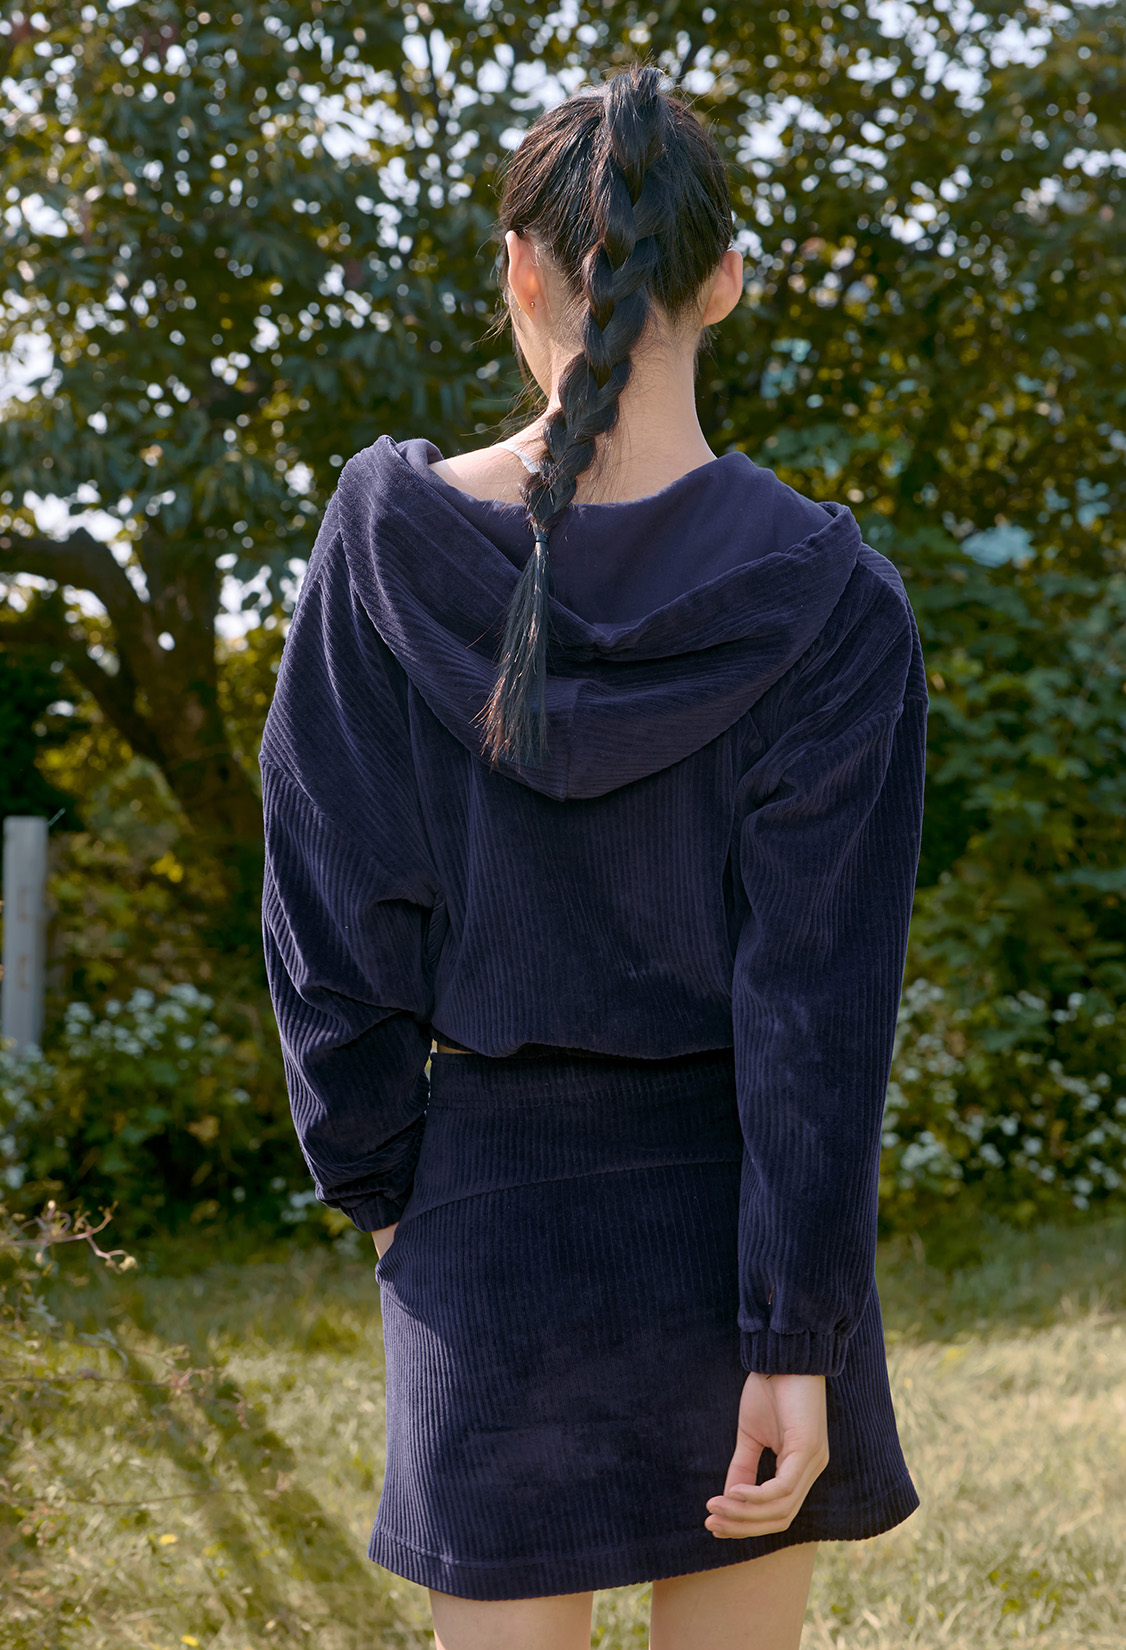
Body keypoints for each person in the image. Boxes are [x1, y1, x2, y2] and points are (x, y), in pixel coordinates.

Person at [260, 60, 926, 1650]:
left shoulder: (381, 549)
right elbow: (815, 1008)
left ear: (519, 269)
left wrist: (387, 1194)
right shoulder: (836, 601)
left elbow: (329, 921)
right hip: (742, 1228)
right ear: (728, 279)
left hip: (482, 1221)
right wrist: (795, 1328)